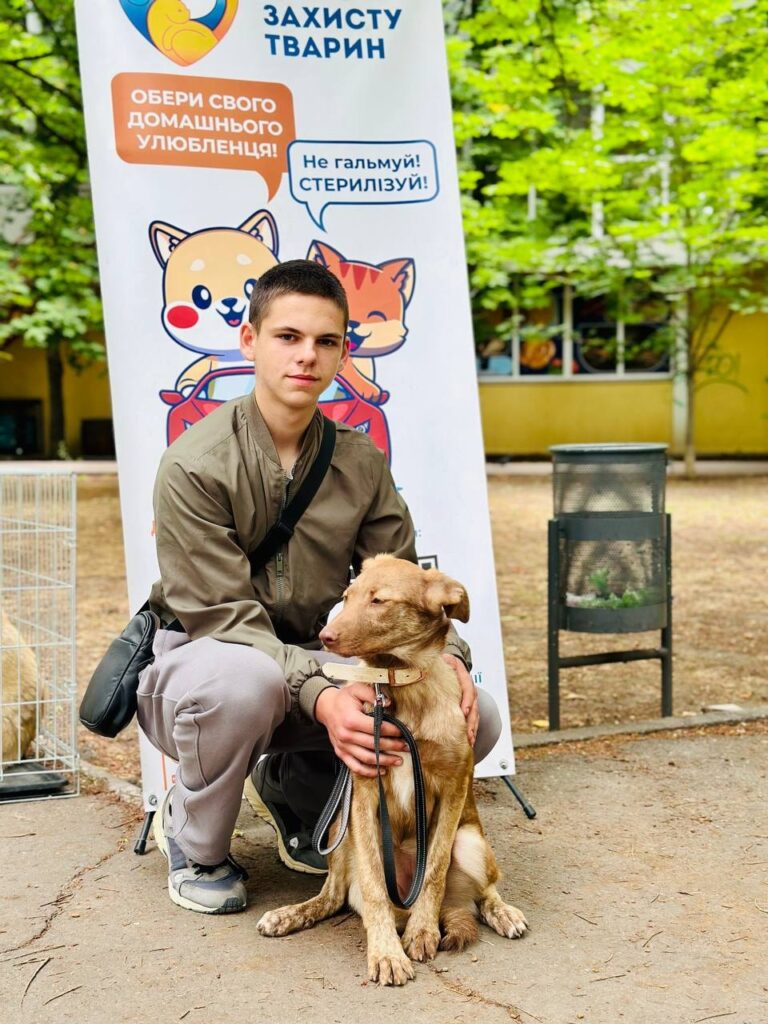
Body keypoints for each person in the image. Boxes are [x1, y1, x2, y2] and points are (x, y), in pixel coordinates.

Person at [137, 259, 502, 914]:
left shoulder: (359, 461)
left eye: (326, 341)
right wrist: (325, 695)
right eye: (288, 336)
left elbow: (401, 589)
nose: (307, 355)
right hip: (208, 666)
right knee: (249, 684)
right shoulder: (194, 465)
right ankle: (195, 839)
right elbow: (225, 621)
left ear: (342, 352)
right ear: (250, 340)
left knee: (476, 717)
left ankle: (297, 789)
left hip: (320, 654)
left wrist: (448, 659)